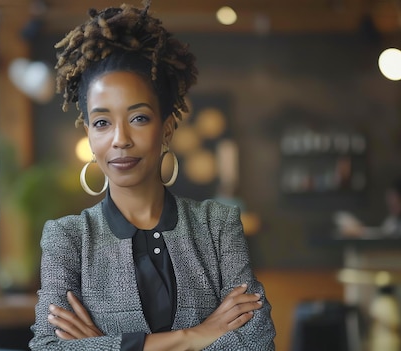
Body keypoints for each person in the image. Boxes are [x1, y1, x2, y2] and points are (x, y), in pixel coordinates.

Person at [28, 2, 276, 350]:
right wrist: (194, 336)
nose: (120, 139)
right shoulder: (67, 240)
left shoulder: (217, 225)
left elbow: (256, 342)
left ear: (167, 127)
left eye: (139, 118)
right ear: (89, 134)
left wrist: (106, 345)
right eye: (102, 122)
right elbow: (48, 348)